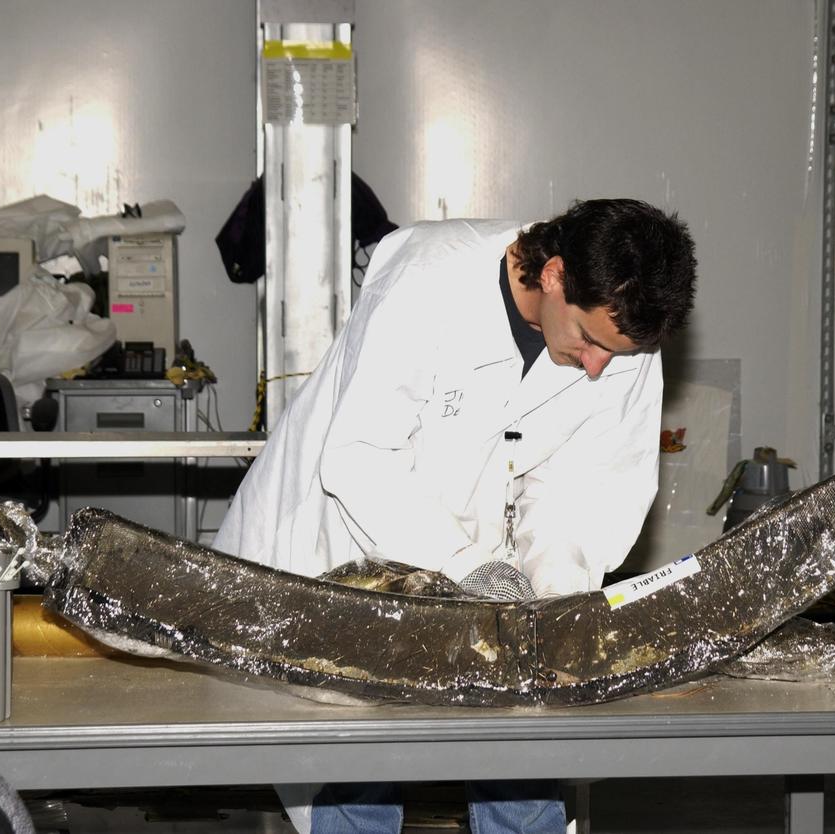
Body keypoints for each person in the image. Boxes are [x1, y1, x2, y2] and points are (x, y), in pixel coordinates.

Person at [214, 198, 697, 834]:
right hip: (353, 537)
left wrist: (548, 604)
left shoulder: (620, 336)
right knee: (357, 757)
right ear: (552, 276)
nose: (599, 365)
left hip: (481, 553)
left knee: (523, 741)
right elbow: (362, 459)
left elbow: (585, 491)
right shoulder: (427, 280)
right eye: (587, 339)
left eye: (615, 352)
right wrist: (468, 566)